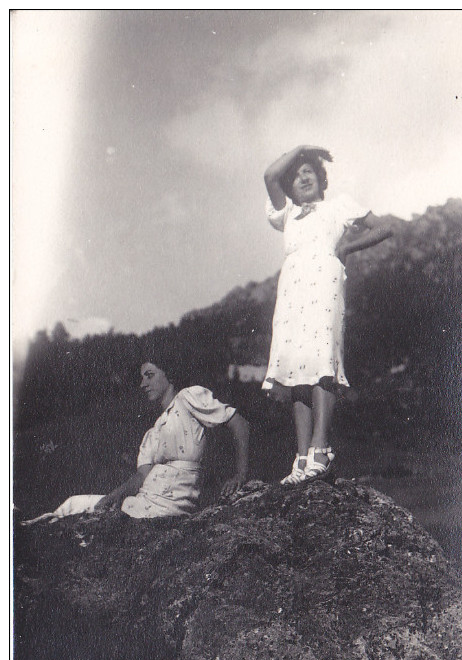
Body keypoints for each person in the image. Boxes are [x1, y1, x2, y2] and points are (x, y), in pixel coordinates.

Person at [262, 145, 393, 486]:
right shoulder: (287, 212)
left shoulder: (339, 206)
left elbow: (383, 228)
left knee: (321, 362)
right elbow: (269, 175)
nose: (301, 177)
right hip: (292, 290)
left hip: (324, 284)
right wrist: (303, 148)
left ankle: (322, 449)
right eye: (295, 175)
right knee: (295, 370)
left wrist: (347, 247)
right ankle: (303, 456)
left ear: (321, 179)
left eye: (308, 171)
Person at [22, 357, 250, 524]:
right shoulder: (154, 431)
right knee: (73, 504)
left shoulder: (189, 398)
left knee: (74, 516)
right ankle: (25, 530)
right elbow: (142, 475)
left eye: (149, 375)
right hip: (145, 500)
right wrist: (115, 495)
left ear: (168, 374)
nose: (143, 384)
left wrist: (240, 474)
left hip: (169, 505)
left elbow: (239, 423)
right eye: (141, 378)